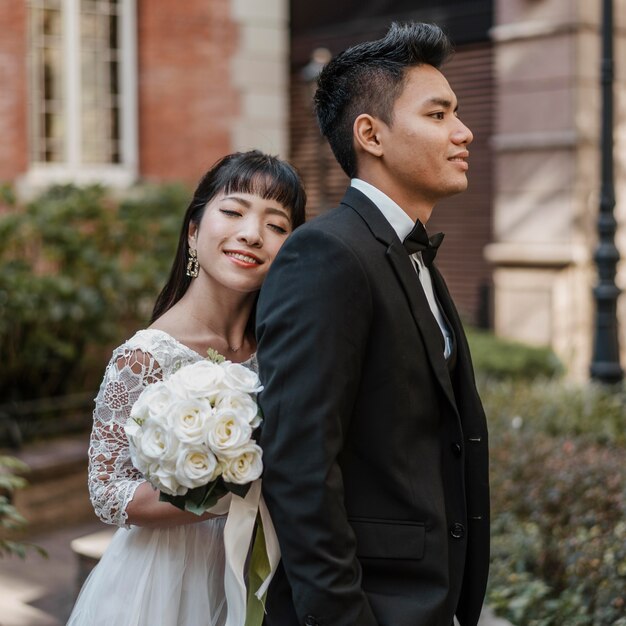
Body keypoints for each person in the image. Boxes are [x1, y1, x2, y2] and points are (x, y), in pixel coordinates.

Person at [256, 22, 489, 626]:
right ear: (371, 134)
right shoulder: (325, 254)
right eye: (438, 115)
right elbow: (300, 467)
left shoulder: (416, 258)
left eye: (457, 114)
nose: (464, 133)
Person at [67, 150, 306, 626]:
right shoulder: (144, 356)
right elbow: (108, 493)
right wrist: (231, 493)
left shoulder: (285, 352)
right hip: (167, 581)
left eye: (277, 225)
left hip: (268, 570)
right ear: (194, 231)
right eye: (234, 211)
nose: (252, 234)